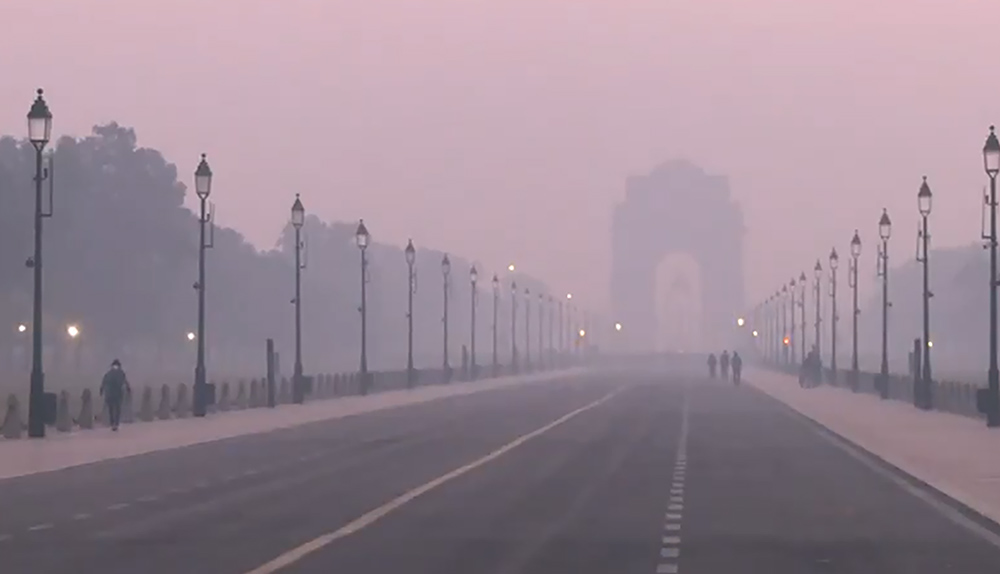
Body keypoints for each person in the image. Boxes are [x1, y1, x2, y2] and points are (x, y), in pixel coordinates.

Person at [100, 359, 131, 431]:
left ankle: (112, 423)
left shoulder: (108, 373)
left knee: (111, 409)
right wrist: (128, 389)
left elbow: (104, 382)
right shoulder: (121, 373)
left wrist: (101, 390)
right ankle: (116, 423)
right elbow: (125, 382)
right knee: (118, 408)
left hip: (110, 393)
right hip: (118, 393)